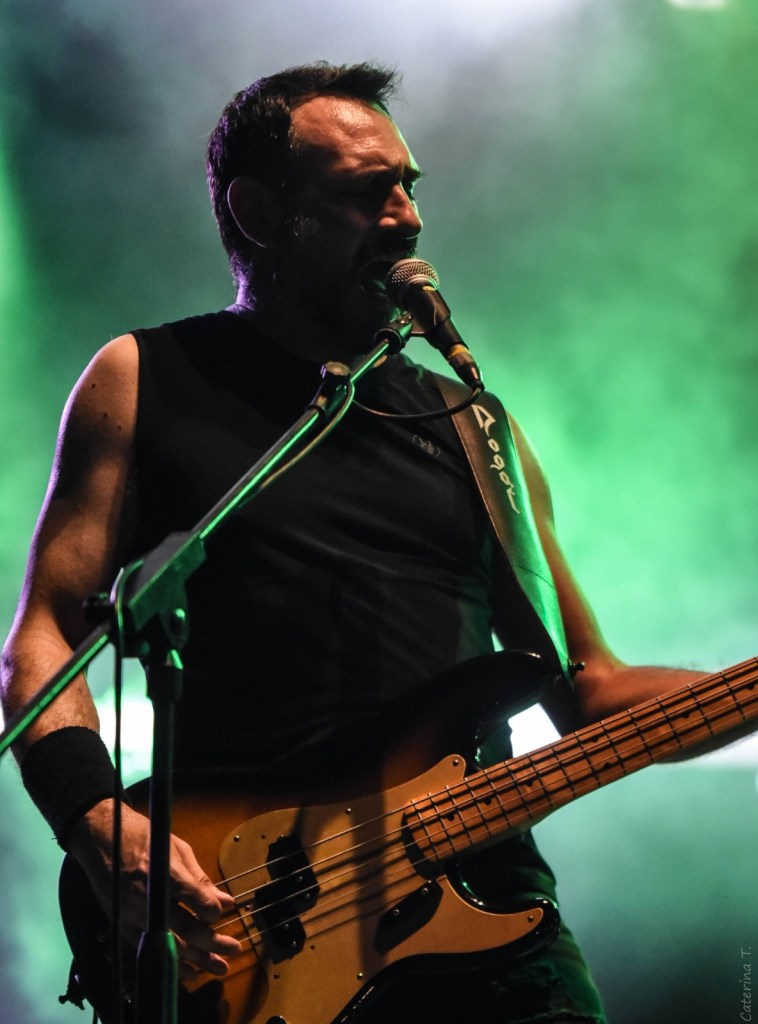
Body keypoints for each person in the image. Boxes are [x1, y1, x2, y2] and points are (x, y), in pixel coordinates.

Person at [0, 61, 710, 1024]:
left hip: (486, 911)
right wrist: (93, 818)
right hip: (248, 925)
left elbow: (587, 685)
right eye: (365, 192)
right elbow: (45, 635)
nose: (407, 216)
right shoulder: (145, 376)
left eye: (408, 186)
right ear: (259, 213)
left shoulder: (476, 429)